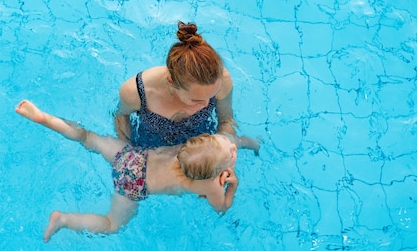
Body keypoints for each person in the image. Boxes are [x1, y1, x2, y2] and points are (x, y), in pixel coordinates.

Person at [15, 100, 259, 241]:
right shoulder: (210, 185)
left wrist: (240, 145)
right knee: (112, 225)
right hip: (133, 185)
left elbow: (231, 142)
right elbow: (222, 209)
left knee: (88, 137)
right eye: (231, 154)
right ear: (214, 174)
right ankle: (65, 219)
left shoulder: (197, 147)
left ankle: (45, 118)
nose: (232, 149)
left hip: (131, 157)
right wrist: (233, 184)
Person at [114, 21, 237, 148]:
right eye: (196, 99)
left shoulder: (222, 79)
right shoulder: (136, 92)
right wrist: (129, 150)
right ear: (172, 82)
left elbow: (225, 120)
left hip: (202, 144)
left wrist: (223, 151)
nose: (206, 104)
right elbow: (122, 117)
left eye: (212, 96)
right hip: (151, 145)